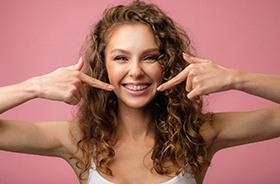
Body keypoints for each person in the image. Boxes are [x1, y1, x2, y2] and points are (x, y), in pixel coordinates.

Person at [0, 1, 280, 184]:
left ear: (168, 63)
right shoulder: (78, 140)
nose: (135, 71)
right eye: (121, 58)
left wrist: (235, 78)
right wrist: (34, 86)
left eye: (150, 57)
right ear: (103, 66)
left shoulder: (201, 134)